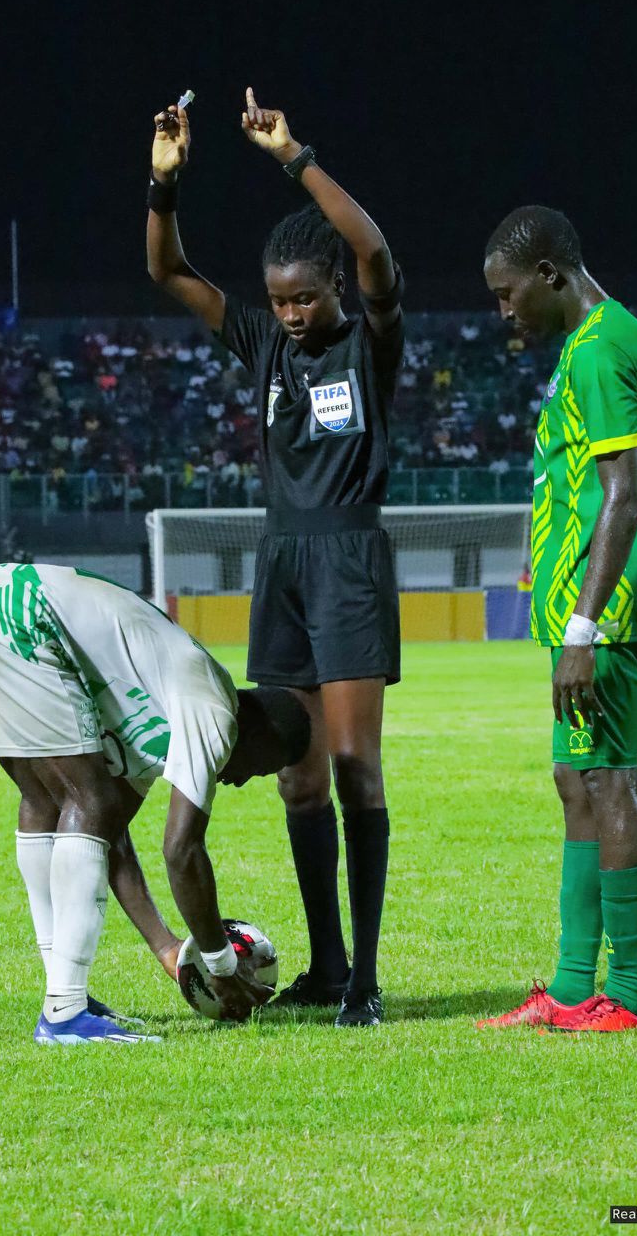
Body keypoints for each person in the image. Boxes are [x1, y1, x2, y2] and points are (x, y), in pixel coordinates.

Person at [147, 88, 403, 1026]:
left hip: (347, 558)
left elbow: (373, 249)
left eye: (306, 296)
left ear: (336, 287)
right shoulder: (262, 343)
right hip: (281, 564)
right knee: (295, 773)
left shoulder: (370, 342)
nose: (291, 313)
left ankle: (367, 982)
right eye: (280, 300)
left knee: (352, 768)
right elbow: (167, 270)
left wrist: (293, 156)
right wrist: (163, 182)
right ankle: (328, 967)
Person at [0, 563, 310, 1044]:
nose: (240, 781)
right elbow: (180, 850)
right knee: (89, 799)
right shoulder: (214, 709)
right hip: (16, 615)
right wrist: (220, 961)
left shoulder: (159, 712)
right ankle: (64, 1014)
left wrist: (168, 949)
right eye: (256, 769)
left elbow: (111, 842)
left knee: (45, 801)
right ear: (257, 732)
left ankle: (65, 1000)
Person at [479, 206, 637, 1032]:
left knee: (606, 779)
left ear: (551, 273)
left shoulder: (599, 350)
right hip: (595, 612)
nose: (504, 312)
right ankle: (569, 987)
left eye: (508, 293)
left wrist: (583, 630)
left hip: (609, 616)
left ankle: (625, 995)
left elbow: (624, 493)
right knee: (578, 780)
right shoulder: (598, 342)